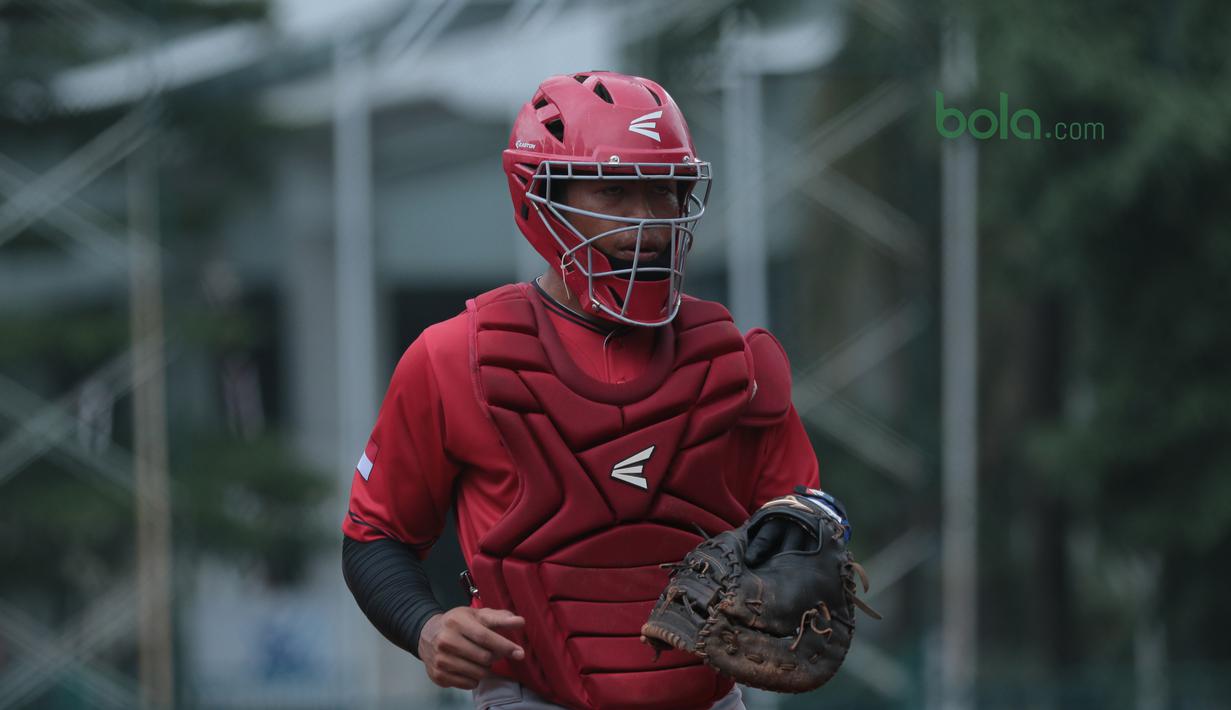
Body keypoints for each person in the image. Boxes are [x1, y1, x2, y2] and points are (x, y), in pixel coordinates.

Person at [341, 71, 821, 710]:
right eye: (616, 191)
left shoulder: (733, 364)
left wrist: (804, 554)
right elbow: (375, 536)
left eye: (666, 191)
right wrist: (426, 626)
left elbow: (804, 522)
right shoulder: (456, 357)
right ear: (540, 196)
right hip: (530, 695)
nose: (649, 222)